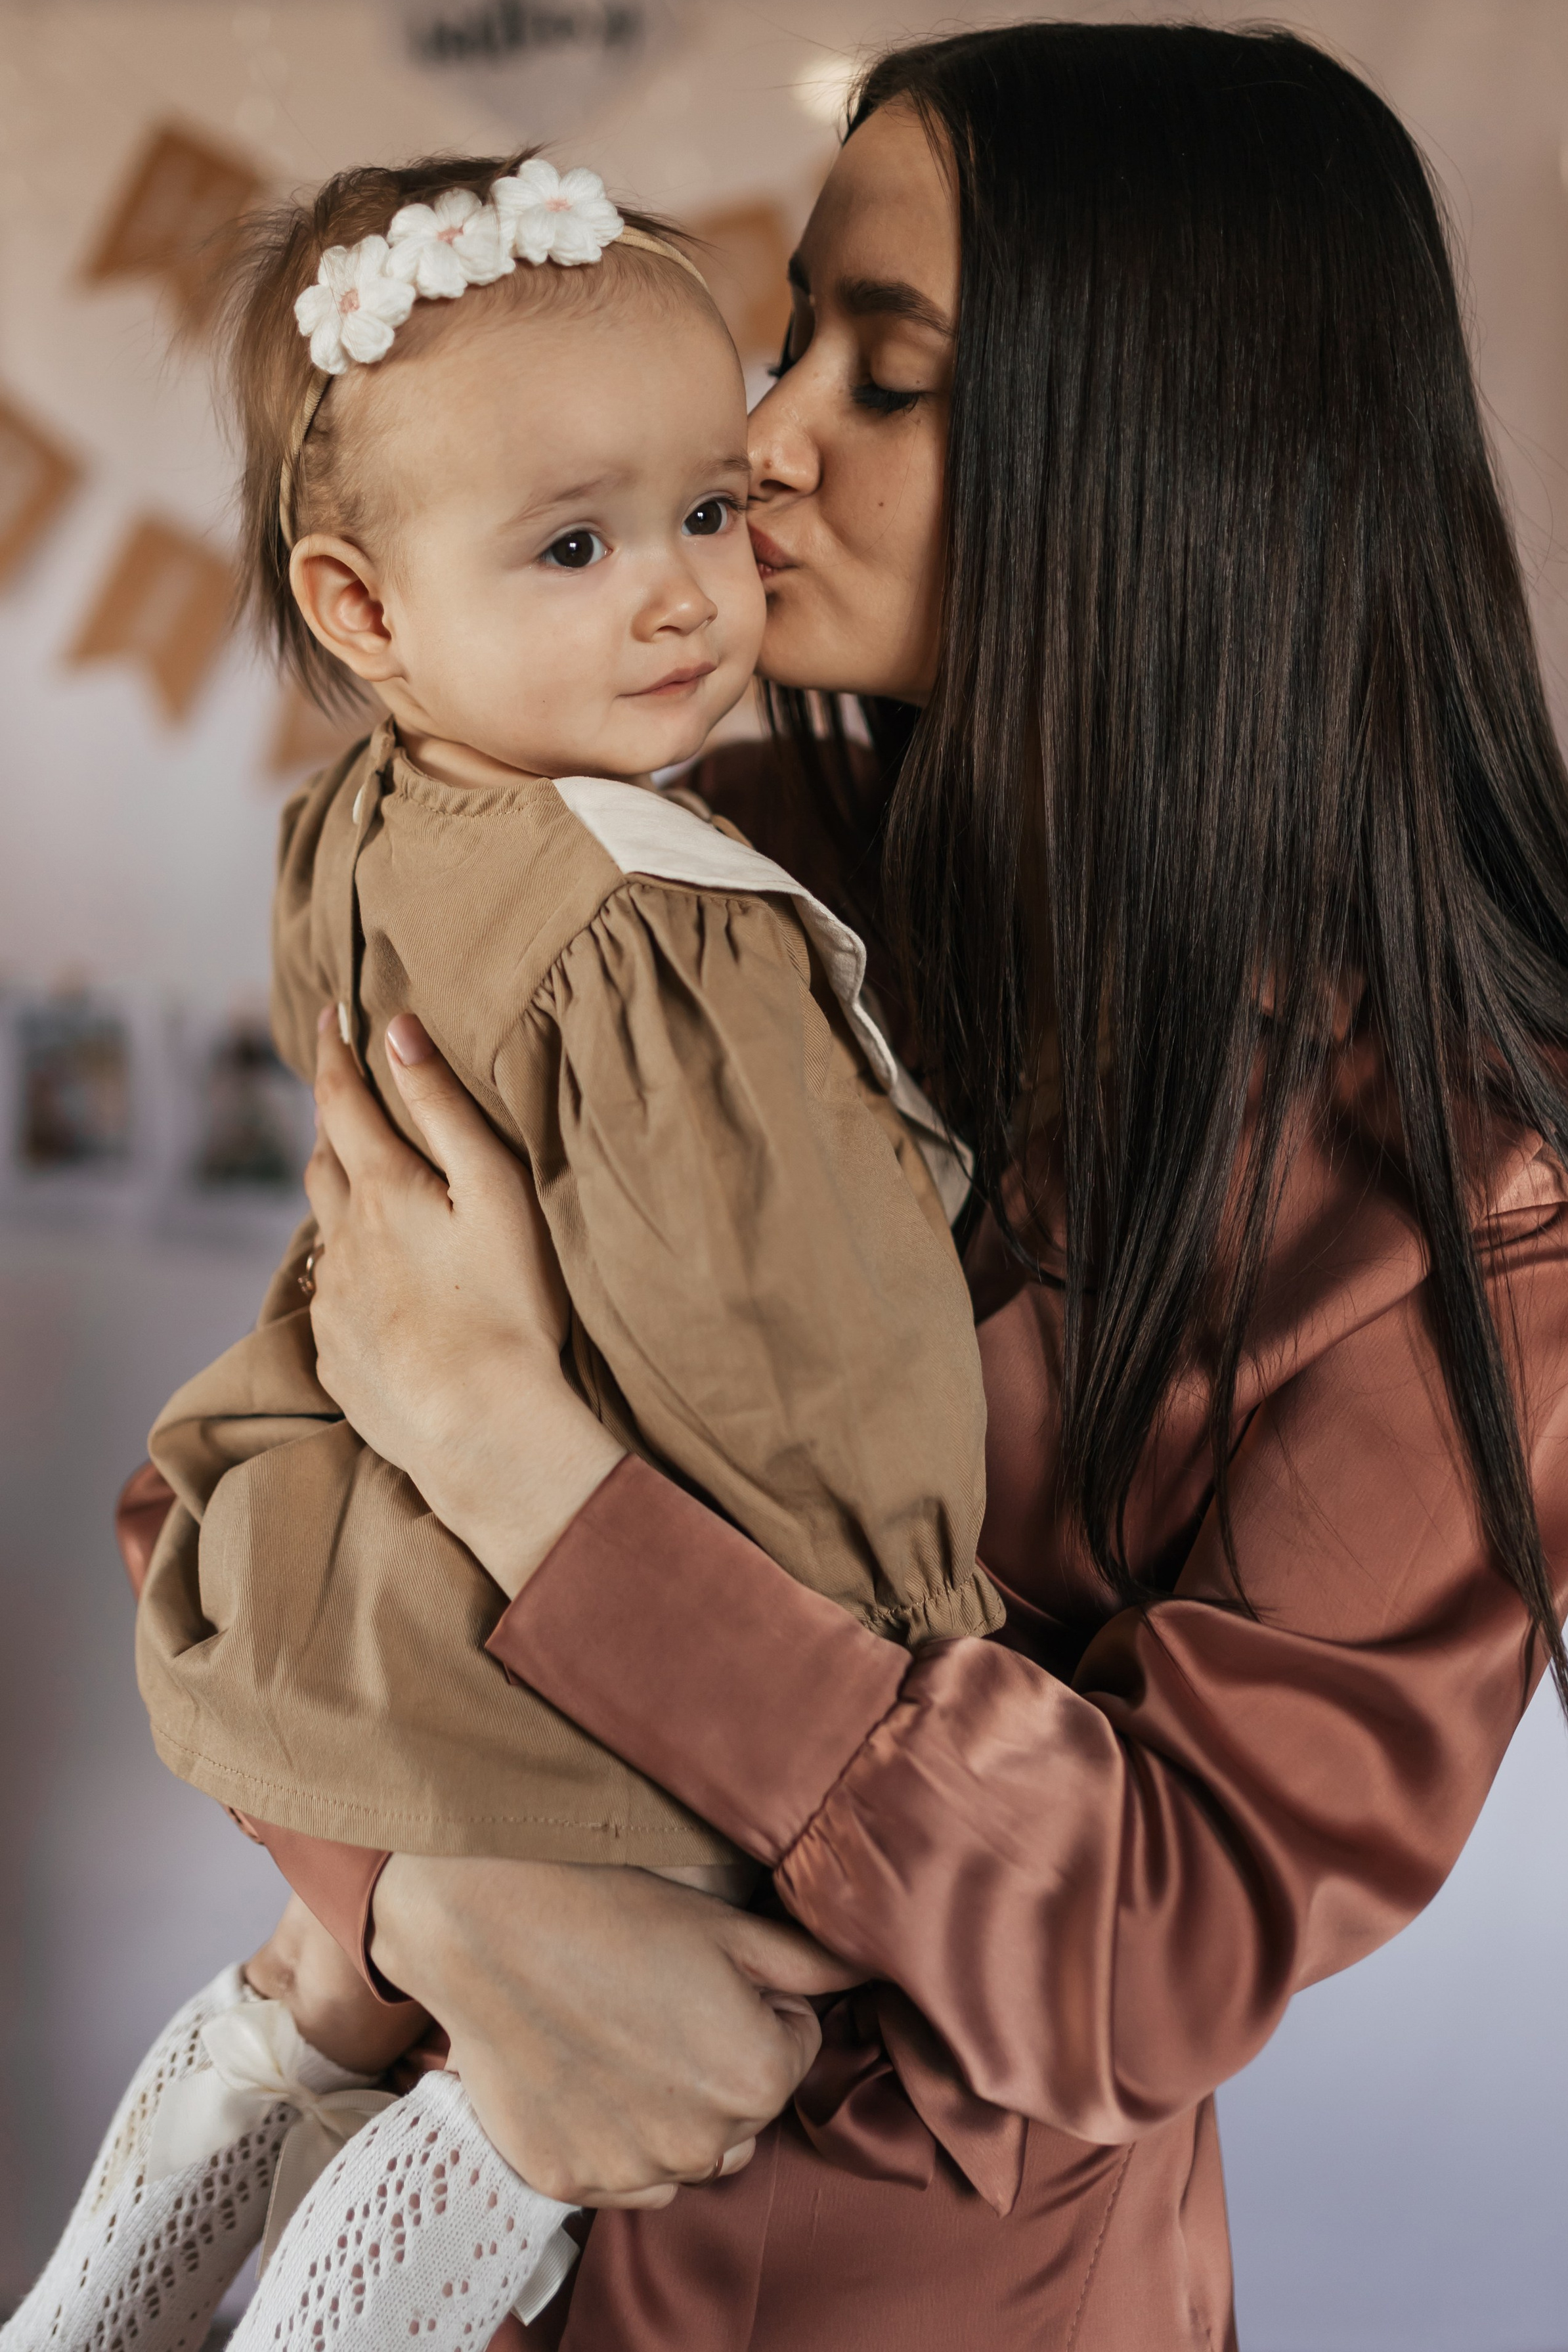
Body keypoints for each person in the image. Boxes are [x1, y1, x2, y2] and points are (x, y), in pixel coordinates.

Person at [121, 16, 1568, 2350]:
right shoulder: (686, 873)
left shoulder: (1498, 1185)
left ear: (1174, 453)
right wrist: (435, 1897)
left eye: (892, 372)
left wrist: (550, 1492)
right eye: (792, 344)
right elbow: (247, 1503)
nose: (759, 446)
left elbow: (1158, 1934)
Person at [6, 148, 996, 2352]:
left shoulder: (376, 812)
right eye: (575, 545)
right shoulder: (666, 924)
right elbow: (796, 1343)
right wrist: (912, 1602)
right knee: (548, 2111)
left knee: (316, 1999)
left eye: (704, 516)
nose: (681, 598)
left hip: (352, 1569)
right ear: (362, 609)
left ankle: (100, 2292)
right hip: (556, 1667)